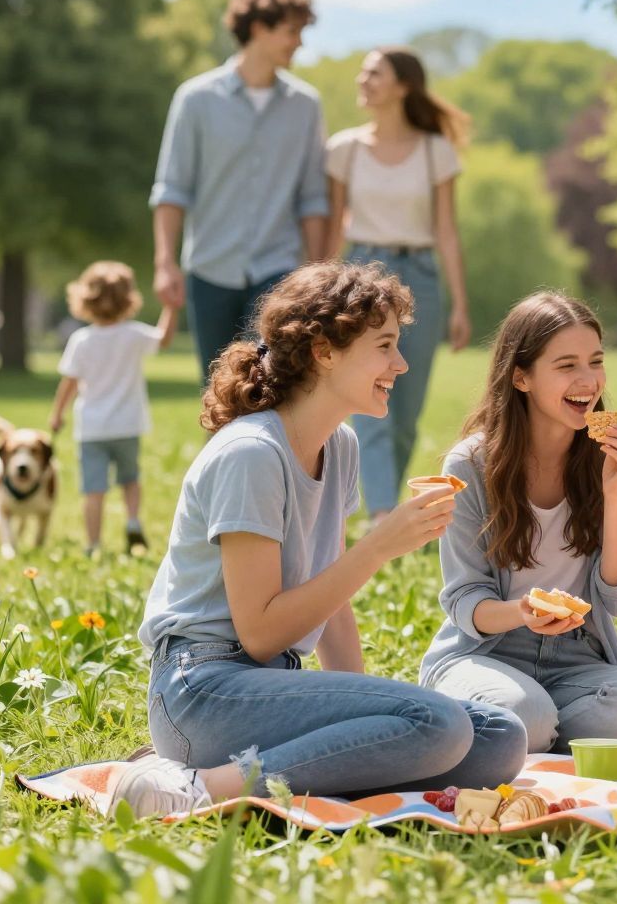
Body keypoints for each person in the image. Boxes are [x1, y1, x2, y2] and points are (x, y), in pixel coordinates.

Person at [108, 262, 525, 817]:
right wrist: (377, 547)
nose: (399, 364)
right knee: (441, 724)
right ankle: (199, 786)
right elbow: (259, 634)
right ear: (324, 351)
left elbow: (329, 602)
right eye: (384, 346)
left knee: (499, 737)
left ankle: (281, 769)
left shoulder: (341, 447)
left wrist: (368, 712)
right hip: (203, 691)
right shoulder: (252, 454)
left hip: (271, 688)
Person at [420, 292, 617, 752]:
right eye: (566, 365)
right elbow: (465, 600)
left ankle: (537, 731)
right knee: (522, 715)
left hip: (577, 657)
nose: (588, 380)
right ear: (521, 378)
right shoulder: (471, 465)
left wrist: (614, 496)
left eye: (595, 362)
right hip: (488, 651)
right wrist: (522, 614)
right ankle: (532, 725)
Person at [150, 0, 331, 379]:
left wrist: (316, 273)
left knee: (271, 383)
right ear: (259, 29)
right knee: (218, 389)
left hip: (278, 268)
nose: (299, 43)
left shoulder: (305, 105)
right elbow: (172, 188)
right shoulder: (196, 98)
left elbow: (313, 198)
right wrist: (165, 263)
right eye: (291, 31)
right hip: (210, 266)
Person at [327, 47, 472, 519]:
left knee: (404, 411)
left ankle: (385, 505)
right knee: (365, 397)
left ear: (403, 86)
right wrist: (323, 290)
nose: (363, 79)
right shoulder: (344, 149)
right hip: (361, 274)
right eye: (364, 70)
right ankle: (382, 516)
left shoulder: (435, 151)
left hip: (421, 274)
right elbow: (333, 226)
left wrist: (459, 305)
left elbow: (447, 231)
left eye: (374, 73)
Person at [49, 262, 176, 556]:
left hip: (92, 428)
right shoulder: (133, 334)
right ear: (128, 299)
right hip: (128, 424)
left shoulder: (81, 340)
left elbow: (69, 383)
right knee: (130, 480)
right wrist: (170, 308)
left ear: (84, 299)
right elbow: (164, 339)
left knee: (94, 490)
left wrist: (57, 414)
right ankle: (132, 521)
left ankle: (93, 544)